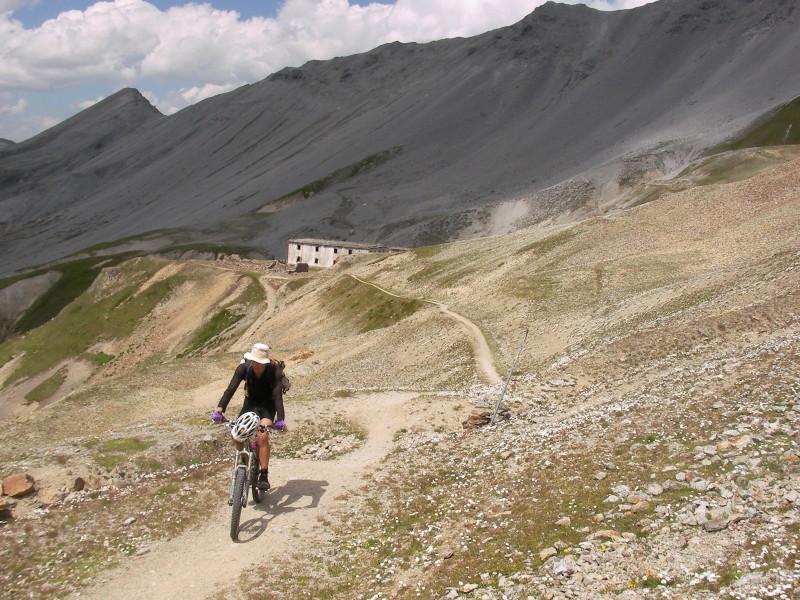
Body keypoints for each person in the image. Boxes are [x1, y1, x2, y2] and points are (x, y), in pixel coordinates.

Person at [212, 342, 286, 490]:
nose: (256, 364)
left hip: (267, 405)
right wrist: (220, 409)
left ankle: (263, 474)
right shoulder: (243, 368)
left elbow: (278, 397)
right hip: (250, 403)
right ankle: (245, 464)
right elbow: (231, 389)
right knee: (237, 434)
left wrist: (280, 419)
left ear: (265, 362)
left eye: (259, 362)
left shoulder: (274, 372)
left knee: (262, 435)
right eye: (253, 361)